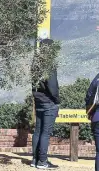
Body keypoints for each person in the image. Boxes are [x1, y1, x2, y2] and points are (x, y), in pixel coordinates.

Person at [31, 38, 60, 169]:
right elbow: (52, 86)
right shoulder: (49, 64)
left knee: (38, 130)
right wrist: (57, 99)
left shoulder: (35, 63)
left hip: (38, 101)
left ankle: (35, 159)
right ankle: (42, 161)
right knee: (45, 132)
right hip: (49, 102)